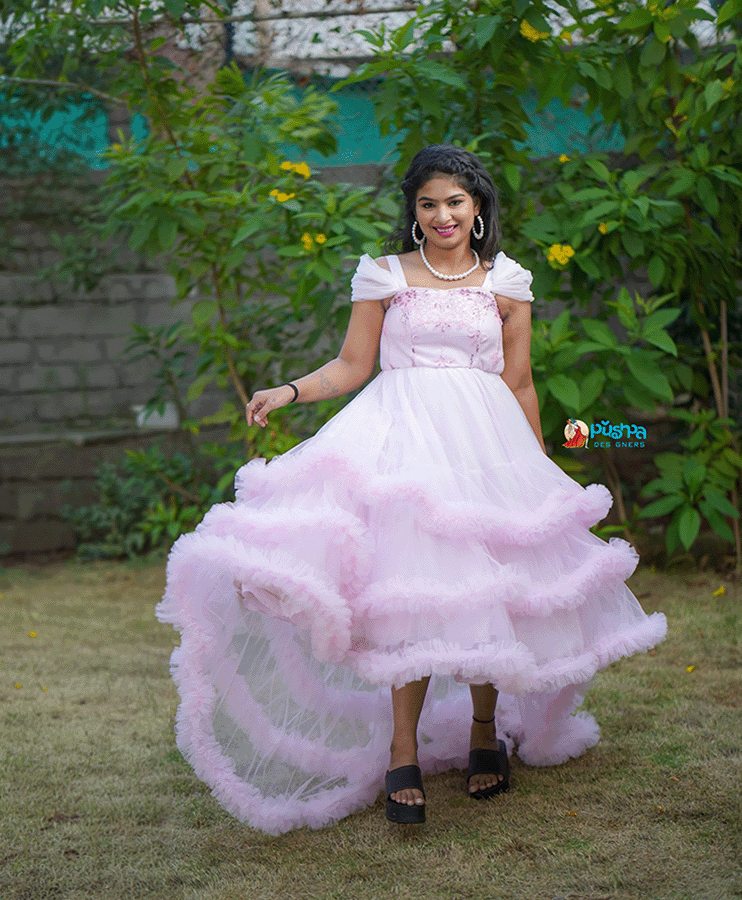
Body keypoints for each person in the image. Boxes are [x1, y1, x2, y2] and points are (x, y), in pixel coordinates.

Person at [156, 144, 666, 833]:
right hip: (403, 446)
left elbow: (518, 380)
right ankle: (403, 751)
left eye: (455, 201)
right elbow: (351, 364)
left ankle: (486, 728)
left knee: (491, 587)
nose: (442, 215)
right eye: (428, 204)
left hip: (487, 449)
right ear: (415, 212)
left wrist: (537, 465)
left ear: (478, 207)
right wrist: (288, 390)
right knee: (414, 594)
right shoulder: (386, 276)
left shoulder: (506, 281)